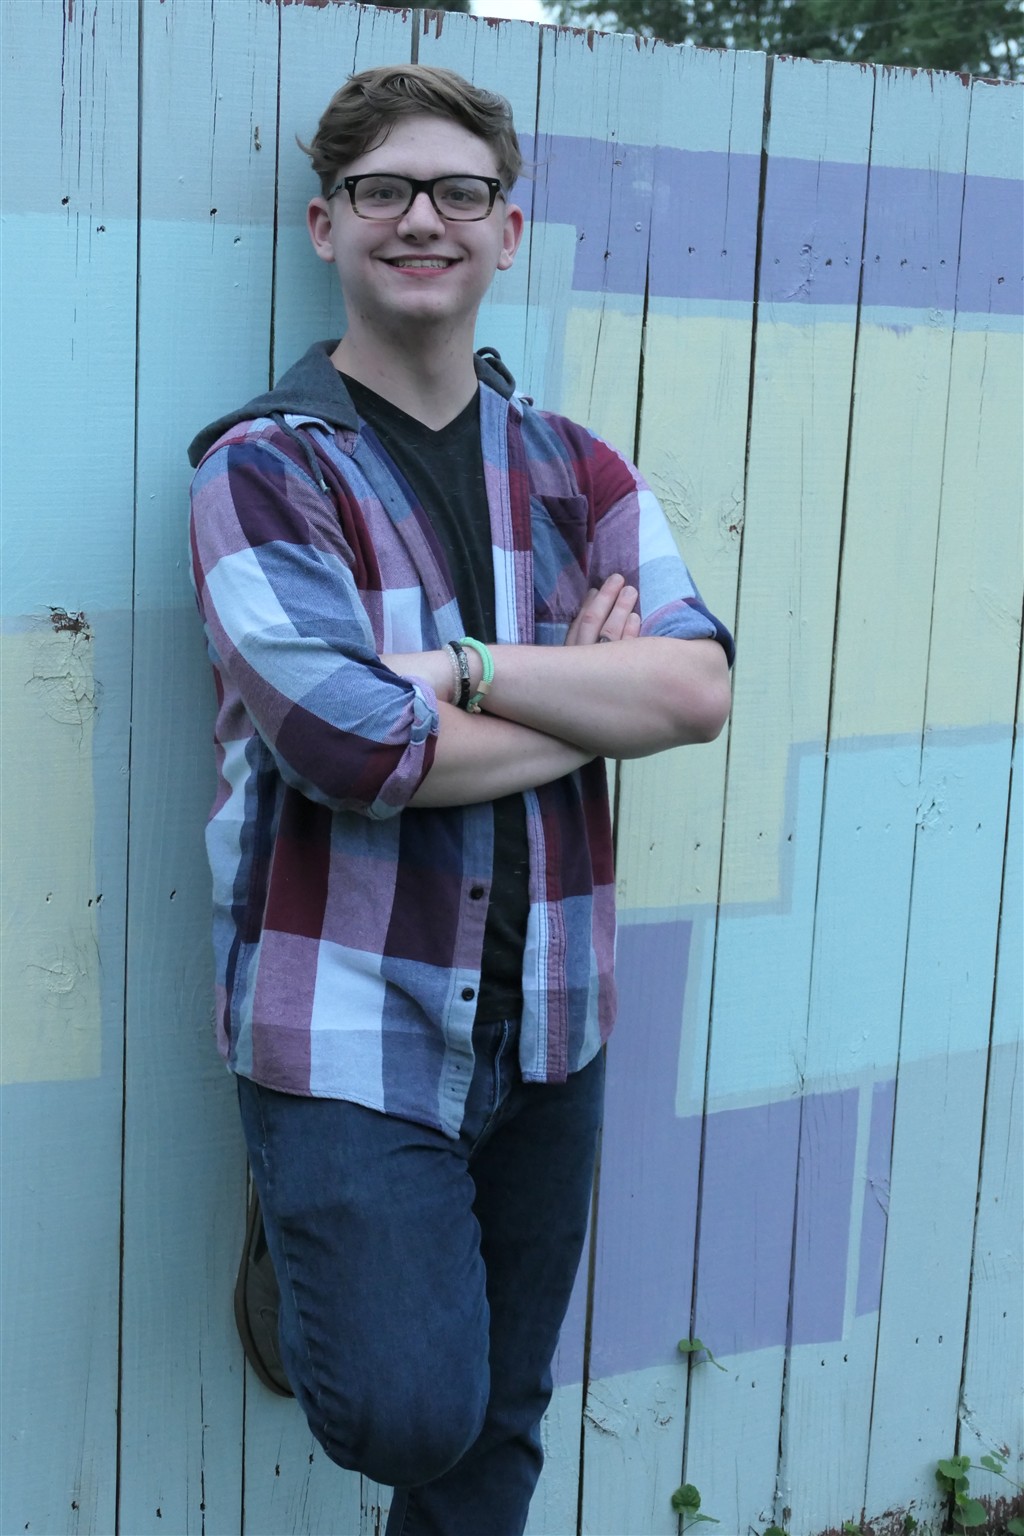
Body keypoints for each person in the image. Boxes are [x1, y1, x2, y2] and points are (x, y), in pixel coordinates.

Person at [187, 63, 733, 1536]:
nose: (421, 218)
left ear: (506, 230)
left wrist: (466, 671)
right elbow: (353, 748)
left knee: (498, 1422)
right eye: (382, 190)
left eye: (458, 192)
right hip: (344, 1017)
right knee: (409, 1409)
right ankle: (305, 1233)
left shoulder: (579, 470)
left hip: (555, 1015)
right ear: (326, 225)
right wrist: (585, 695)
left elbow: (696, 690)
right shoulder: (264, 471)